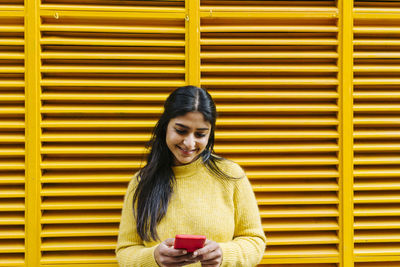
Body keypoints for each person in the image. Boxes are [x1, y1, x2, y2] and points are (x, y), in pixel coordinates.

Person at [116, 86, 266, 267]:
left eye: (200, 134)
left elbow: (255, 241)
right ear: (165, 127)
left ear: (210, 134)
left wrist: (223, 255)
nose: (189, 143)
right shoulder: (141, 182)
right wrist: (153, 257)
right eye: (181, 130)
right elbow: (125, 251)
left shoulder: (231, 176)